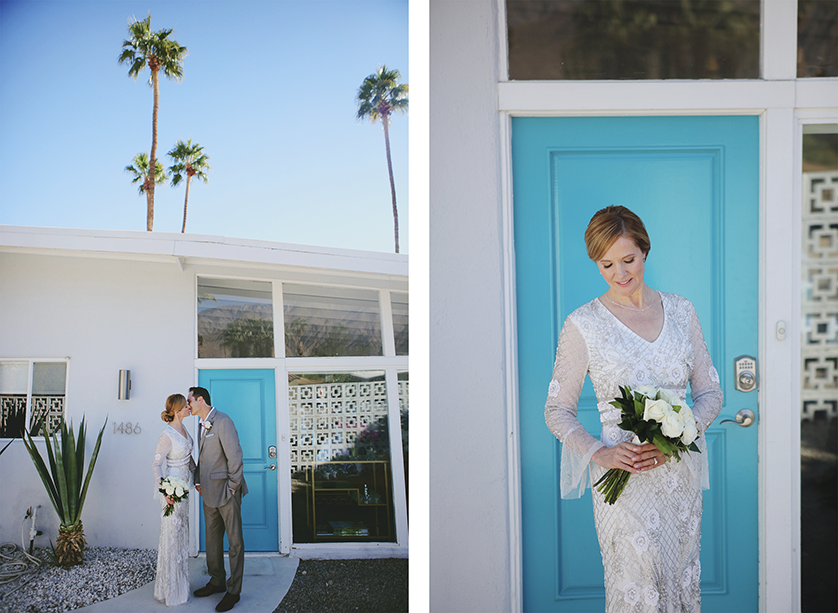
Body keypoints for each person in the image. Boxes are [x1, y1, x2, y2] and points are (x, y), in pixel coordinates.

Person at [544, 205, 723, 612]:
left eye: (628, 260)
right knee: (635, 590)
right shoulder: (583, 324)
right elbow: (556, 410)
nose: (619, 274)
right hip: (622, 482)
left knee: (679, 584)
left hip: (679, 479)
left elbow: (711, 394)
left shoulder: (681, 311)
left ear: (645, 251)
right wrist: (600, 452)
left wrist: (675, 440)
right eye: (606, 265)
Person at [188, 386, 248, 613]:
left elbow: (235, 456)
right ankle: (217, 581)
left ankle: (233, 591)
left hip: (226, 492)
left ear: (200, 400)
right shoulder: (201, 424)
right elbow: (203, 459)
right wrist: (198, 481)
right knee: (212, 541)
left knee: (235, 542)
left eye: (190, 400)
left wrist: (233, 487)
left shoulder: (223, 421)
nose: (188, 405)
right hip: (208, 493)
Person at [152, 393, 196, 607]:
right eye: (186, 405)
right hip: (172, 493)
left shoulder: (184, 429)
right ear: (178, 411)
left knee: (181, 536)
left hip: (185, 490)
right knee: (172, 536)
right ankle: (170, 590)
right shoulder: (167, 434)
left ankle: (181, 586)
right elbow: (156, 465)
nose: (189, 407)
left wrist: (198, 480)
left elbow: (189, 460)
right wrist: (165, 491)